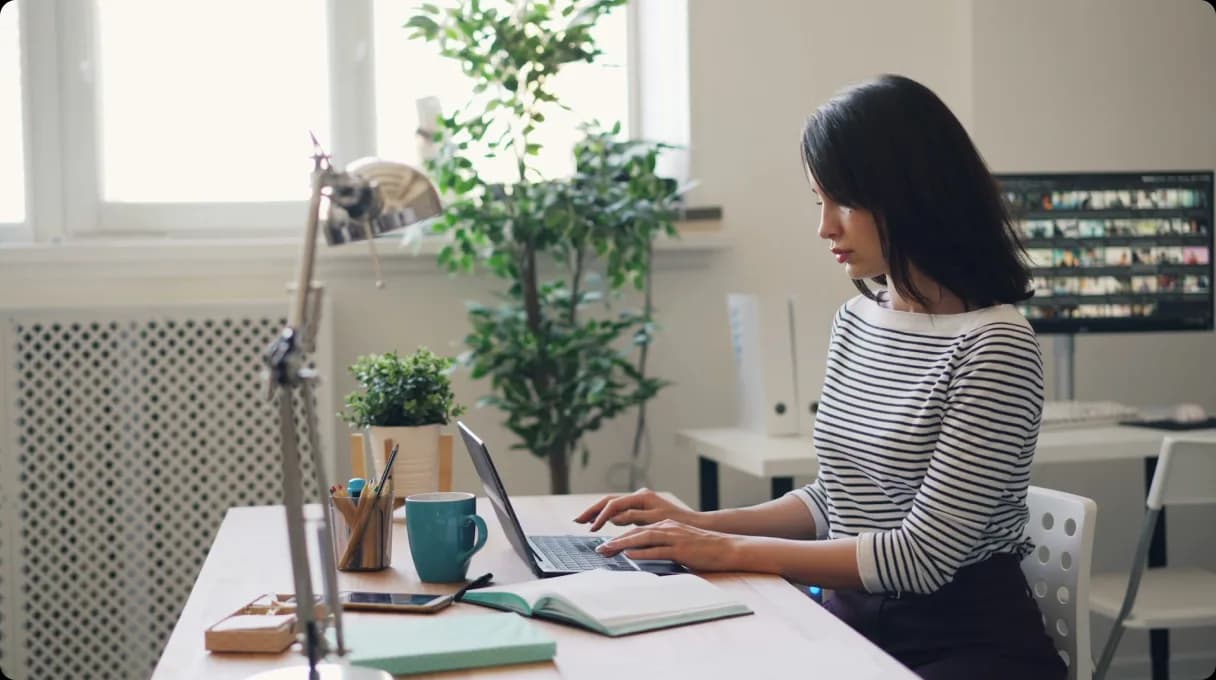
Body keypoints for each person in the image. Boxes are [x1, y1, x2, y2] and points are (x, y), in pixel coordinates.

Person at [574, 74, 1065, 680]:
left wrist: (725, 551)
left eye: (846, 203)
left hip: (962, 646)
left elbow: (921, 557)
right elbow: (839, 499)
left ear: (915, 195)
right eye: (818, 202)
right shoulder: (859, 320)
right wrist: (694, 524)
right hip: (851, 623)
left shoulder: (996, 344)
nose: (825, 227)